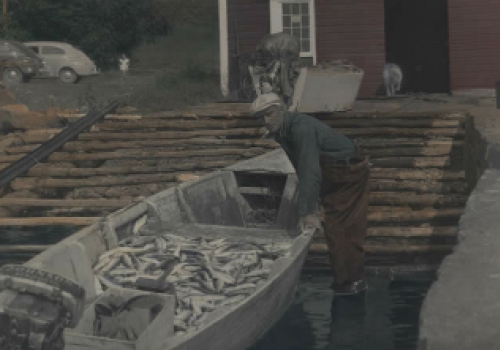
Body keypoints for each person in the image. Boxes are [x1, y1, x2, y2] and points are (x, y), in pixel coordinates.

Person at [250, 92, 371, 296]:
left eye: (269, 114)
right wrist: (310, 199)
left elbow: (310, 170)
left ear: (281, 110)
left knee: (340, 227)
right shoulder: (282, 131)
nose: (265, 121)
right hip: (332, 172)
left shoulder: (301, 128)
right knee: (338, 227)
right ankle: (348, 280)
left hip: (348, 174)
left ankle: (352, 283)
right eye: (260, 118)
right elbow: (301, 166)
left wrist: (308, 212)